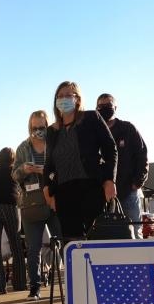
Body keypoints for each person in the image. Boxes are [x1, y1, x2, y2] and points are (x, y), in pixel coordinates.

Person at [43, 82, 117, 240]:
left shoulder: (91, 118)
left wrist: (110, 180)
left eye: (68, 95)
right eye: (60, 96)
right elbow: (48, 164)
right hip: (64, 193)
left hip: (91, 188)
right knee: (71, 243)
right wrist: (47, 191)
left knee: (97, 240)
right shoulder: (52, 131)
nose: (63, 99)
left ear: (77, 99)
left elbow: (110, 149)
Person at [12, 110, 62, 300]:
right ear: (29, 127)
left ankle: (72, 283)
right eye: (34, 127)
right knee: (33, 249)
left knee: (64, 243)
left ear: (47, 126)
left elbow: (65, 168)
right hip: (31, 204)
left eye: (41, 127)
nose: (38, 131)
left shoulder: (56, 144)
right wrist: (24, 169)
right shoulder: (23, 147)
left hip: (55, 201)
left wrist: (47, 172)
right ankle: (34, 287)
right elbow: (14, 176)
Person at [96, 93, 149, 239]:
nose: (104, 108)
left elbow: (142, 154)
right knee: (103, 235)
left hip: (128, 192)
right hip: (102, 195)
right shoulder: (94, 131)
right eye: (101, 106)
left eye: (108, 105)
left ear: (115, 107)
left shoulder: (127, 129)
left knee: (134, 232)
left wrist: (137, 182)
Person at [0, 147, 26, 294]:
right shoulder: (14, 170)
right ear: (13, 159)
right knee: (16, 244)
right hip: (10, 205)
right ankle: (20, 283)